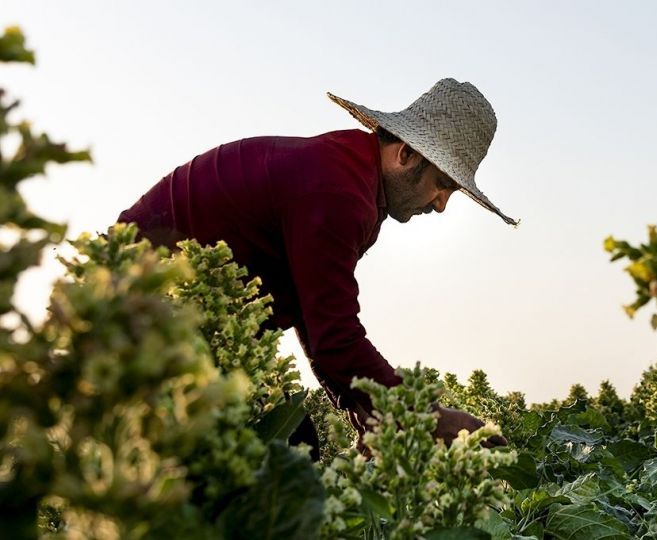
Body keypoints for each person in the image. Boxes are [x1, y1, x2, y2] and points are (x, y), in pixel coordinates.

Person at [116, 78, 515, 456]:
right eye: (441, 183)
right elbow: (335, 336)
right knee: (283, 450)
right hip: (138, 305)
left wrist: (355, 401)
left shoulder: (352, 176)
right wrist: (431, 419)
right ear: (406, 155)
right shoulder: (339, 191)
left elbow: (313, 309)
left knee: (290, 442)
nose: (441, 204)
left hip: (175, 315)